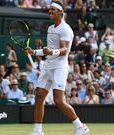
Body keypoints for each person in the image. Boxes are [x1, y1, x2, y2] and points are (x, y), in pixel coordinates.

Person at [27, 1, 89, 134]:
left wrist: (52, 52)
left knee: (58, 100)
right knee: (39, 97)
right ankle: (38, 131)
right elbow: (48, 50)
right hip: (48, 66)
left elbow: (64, 49)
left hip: (59, 67)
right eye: (49, 10)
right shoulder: (50, 28)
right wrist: (34, 52)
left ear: (60, 12)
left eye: (53, 10)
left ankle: (80, 126)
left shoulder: (66, 29)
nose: (50, 12)